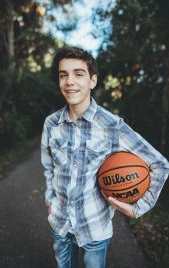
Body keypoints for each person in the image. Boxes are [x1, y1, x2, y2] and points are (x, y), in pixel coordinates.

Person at [41, 47, 169, 267]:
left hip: (95, 228)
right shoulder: (51, 123)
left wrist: (138, 208)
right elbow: (48, 166)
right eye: (64, 75)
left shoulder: (112, 126)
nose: (70, 81)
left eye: (78, 74)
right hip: (59, 224)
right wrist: (49, 199)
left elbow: (159, 164)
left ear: (92, 81)